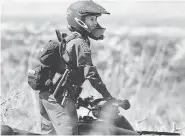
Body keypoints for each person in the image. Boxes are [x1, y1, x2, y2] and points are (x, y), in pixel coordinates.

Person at [38, 0, 130, 135]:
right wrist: (108, 97)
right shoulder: (81, 44)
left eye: (96, 19)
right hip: (58, 99)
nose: (95, 22)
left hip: (49, 95)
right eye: (92, 19)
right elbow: (92, 75)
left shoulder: (71, 39)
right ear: (79, 20)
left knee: (50, 134)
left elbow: (70, 72)